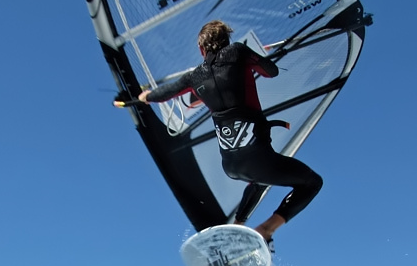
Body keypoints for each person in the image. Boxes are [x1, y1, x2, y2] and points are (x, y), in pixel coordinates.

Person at [137, 20, 323, 245]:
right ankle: (266, 229)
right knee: (312, 182)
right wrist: (255, 57)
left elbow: (164, 93)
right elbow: (271, 71)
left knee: (259, 179)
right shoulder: (237, 52)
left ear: (201, 49)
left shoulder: (193, 77)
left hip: (231, 167)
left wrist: (145, 97)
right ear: (227, 41)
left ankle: (238, 225)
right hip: (259, 160)